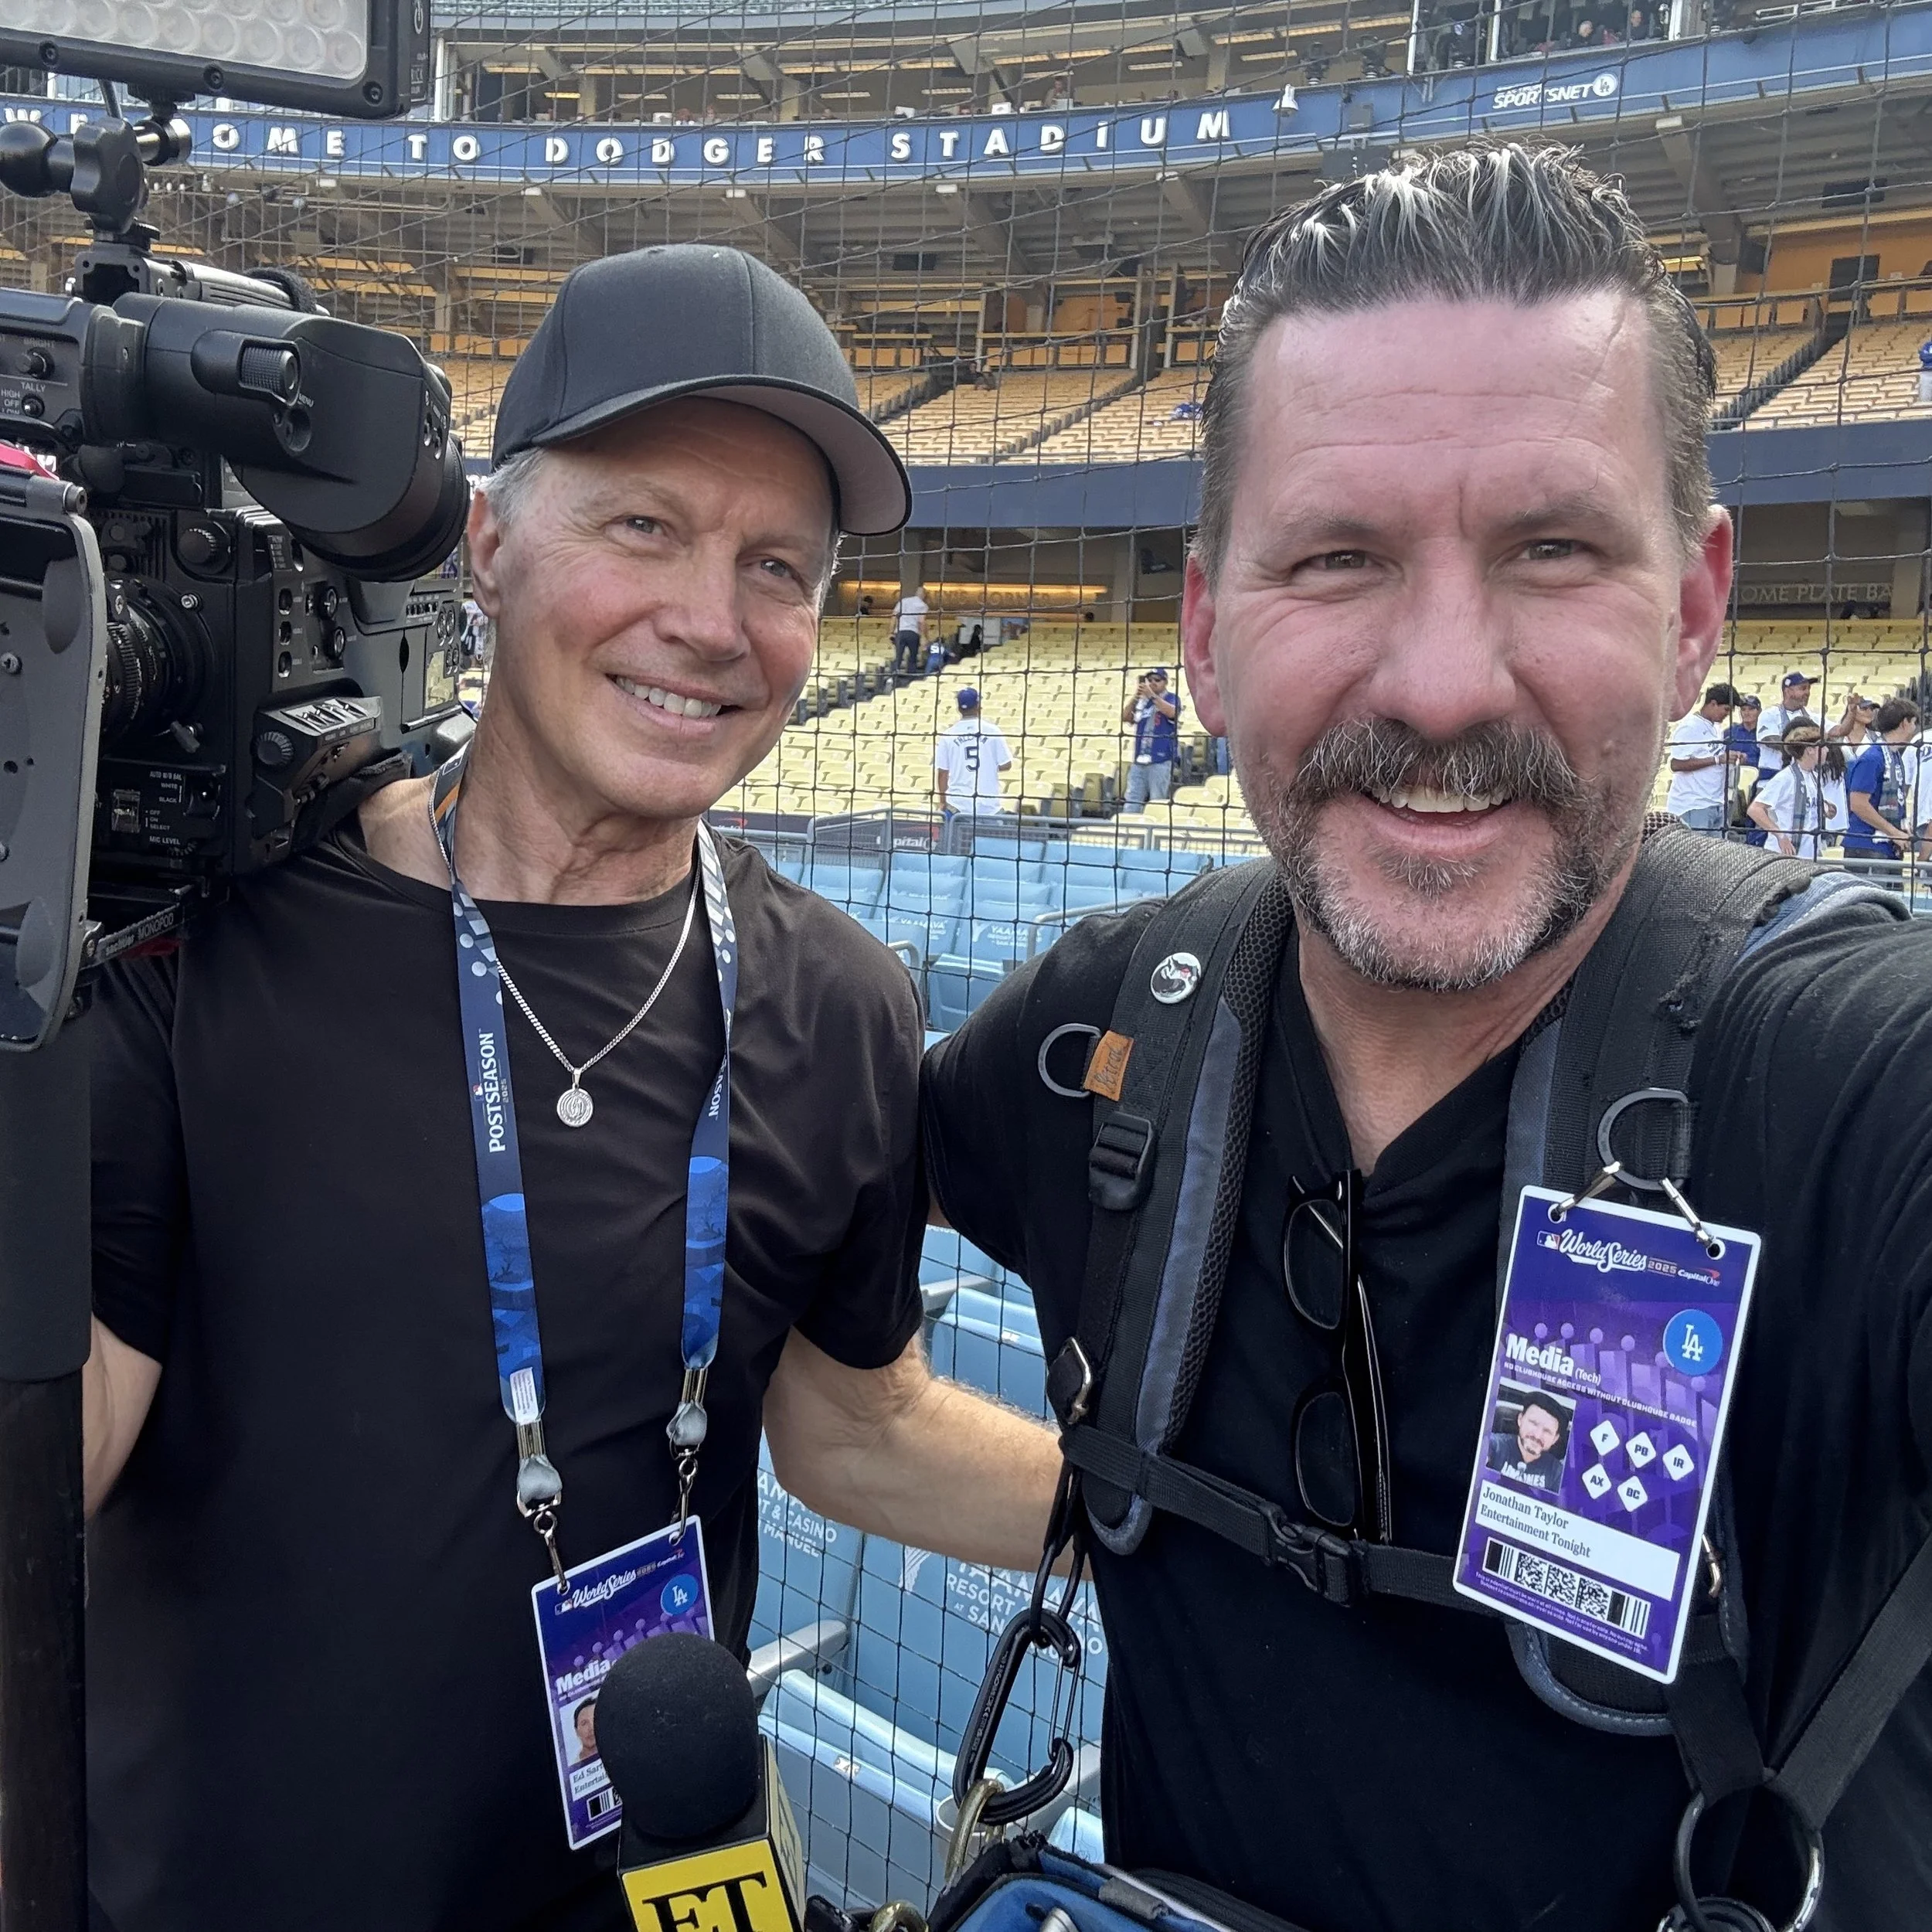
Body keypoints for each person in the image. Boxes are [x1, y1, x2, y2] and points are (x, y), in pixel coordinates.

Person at [921, 146, 1932, 1932]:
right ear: (1209, 631)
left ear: (1697, 609)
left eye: (1551, 551)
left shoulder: (1846, 1085)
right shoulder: (1106, 1026)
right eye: (1338, 556)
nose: (1444, 683)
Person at [81, 243, 1060, 1932]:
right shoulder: (200, 955)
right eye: (643, 526)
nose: (711, 618)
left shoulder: (835, 1002)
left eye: (778, 564)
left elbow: (848, 1422)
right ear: (488, 543)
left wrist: (1179, 1513)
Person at [1842, 695, 1921, 885]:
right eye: (1914, 722)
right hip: (1868, 846)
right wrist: (1893, 831)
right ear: (1904, 723)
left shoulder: (1892, 757)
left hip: (1882, 847)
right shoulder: (1874, 758)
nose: (1916, 728)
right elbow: (1858, 803)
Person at [1746, 723, 1843, 859]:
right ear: (1810, 750)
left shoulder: (1815, 777)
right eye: (1823, 746)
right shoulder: (1786, 778)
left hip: (1808, 854)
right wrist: (1780, 836)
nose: (1827, 750)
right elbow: (1755, 809)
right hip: (1785, 855)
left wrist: (1825, 809)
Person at [1664, 681, 1740, 831]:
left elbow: (1713, 755)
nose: (1727, 714)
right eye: (1726, 709)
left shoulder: (1716, 728)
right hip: (1693, 805)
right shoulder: (1690, 727)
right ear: (1713, 704)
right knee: (1695, 853)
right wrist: (1717, 760)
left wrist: (1731, 757)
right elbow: (1676, 764)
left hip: (1714, 802)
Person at [935, 686, 1014, 830]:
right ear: (978, 706)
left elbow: (942, 773)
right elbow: (1007, 765)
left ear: (959, 708)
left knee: (959, 849)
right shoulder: (992, 731)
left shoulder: (948, 735)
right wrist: (988, 765)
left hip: (959, 804)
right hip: (988, 805)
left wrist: (942, 802)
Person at [1120, 666, 1182, 812]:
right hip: (1139, 760)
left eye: (1157, 680)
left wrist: (1153, 696)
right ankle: (1128, 832)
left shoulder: (1172, 698)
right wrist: (1137, 696)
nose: (1153, 683)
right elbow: (1126, 717)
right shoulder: (1143, 701)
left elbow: (1173, 712)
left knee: (1157, 803)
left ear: (1165, 682)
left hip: (1160, 760)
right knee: (1131, 801)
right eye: (1150, 680)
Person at [1487, 1391, 1570, 1495]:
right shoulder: (1495, 1445)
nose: (1537, 1435)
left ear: (1555, 1439)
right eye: (1534, 1423)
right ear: (1520, 1420)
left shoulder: (1557, 1473)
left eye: (1547, 1431)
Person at [1757, 668, 1816, 773]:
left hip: (1802, 775)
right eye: (1803, 688)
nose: (1807, 692)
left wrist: (1851, 712)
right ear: (1788, 691)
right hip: (1771, 776)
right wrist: (1801, 744)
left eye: (1808, 689)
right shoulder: (1770, 714)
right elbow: (1770, 740)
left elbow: (1838, 731)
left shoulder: (1811, 716)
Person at [892, 582, 930, 678]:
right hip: (913, 633)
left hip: (900, 631)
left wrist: (891, 631)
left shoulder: (903, 601)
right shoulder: (923, 605)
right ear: (924, 595)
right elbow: (921, 621)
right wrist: (924, 636)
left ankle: (893, 677)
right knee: (913, 656)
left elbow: (894, 616)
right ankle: (911, 677)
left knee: (898, 656)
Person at [571, 1697, 599, 1765]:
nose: (591, 1728)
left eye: (595, 1719)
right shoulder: (573, 1766)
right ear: (577, 1731)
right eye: (584, 1723)